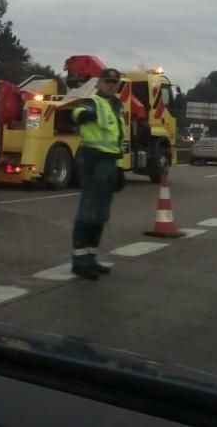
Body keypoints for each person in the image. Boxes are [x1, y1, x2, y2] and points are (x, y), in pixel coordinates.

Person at [70, 68, 127, 280]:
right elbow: (77, 112)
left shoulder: (116, 105)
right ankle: (80, 262)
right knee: (88, 213)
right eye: (107, 81)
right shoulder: (92, 101)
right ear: (99, 83)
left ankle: (91, 258)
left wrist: (120, 167)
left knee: (101, 215)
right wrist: (84, 115)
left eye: (114, 82)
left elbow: (118, 139)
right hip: (93, 161)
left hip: (110, 162)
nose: (111, 85)